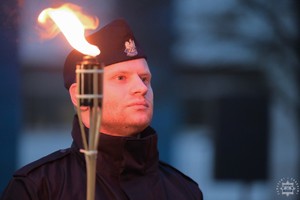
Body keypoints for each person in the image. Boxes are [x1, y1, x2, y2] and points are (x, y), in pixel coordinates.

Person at [1, 19, 203, 200]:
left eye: (145, 79)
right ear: (81, 94)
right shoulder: (39, 188)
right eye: (121, 78)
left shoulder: (183, 191)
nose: (141, 89)